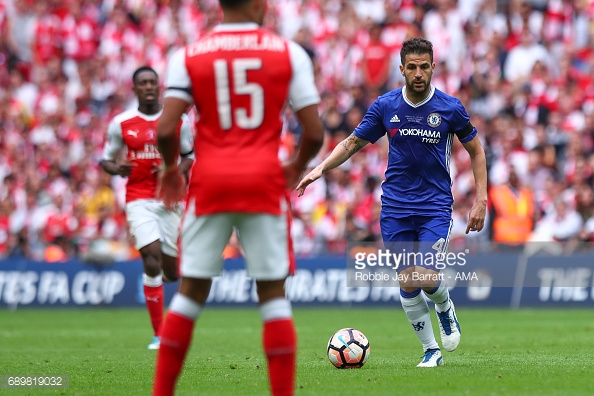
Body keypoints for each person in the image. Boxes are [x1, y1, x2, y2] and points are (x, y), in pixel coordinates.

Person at [152, 0, 324, 395]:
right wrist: (294, 169)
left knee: (190, 294)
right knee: (273, 298)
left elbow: (166, 129)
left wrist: (168, 169)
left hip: (210, 181)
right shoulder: (288, 53)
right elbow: (313, 133)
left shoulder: (189, 54)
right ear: (259, 5)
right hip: (262, 181)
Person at [297, 37, 488, 367]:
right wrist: (321, 167)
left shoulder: (450, 107)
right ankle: (431, 351)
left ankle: (444, 307)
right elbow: (353, 142)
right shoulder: (386, 106)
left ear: (433, 68)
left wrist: (481, 199)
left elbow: (476, 151)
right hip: (396, 207)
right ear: (401, 69)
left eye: (424, 67)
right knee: (408, 281)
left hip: (434, 205)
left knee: (427, 275)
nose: (418, 73)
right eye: (411, 67)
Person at [100, 66, 195, 350]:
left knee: (173, 271)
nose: (149, 86)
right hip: (138, 198)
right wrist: (118, 168)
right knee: (150, 258)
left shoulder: (178, 120)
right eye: (143, 83)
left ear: (159, 86)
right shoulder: (122, 123)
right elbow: (105, 159)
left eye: (153, 82)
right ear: (135, 88)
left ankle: (164, 278)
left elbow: (189, 156)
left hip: (170, 200)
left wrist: (175, 172)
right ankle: (159, 334)